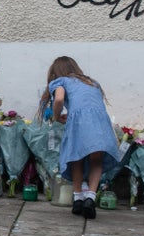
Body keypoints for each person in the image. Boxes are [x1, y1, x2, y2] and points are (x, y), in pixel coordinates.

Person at [38, 56, 119, 219]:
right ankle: (90, 196)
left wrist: (56, 115)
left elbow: (59, 99)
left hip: (79, 124)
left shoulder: (60, 81)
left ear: (55, 72)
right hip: (100, 122)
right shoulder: (92, 82)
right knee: (97, 160)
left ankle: (77, 199)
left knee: (76, 158)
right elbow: (88, 104)